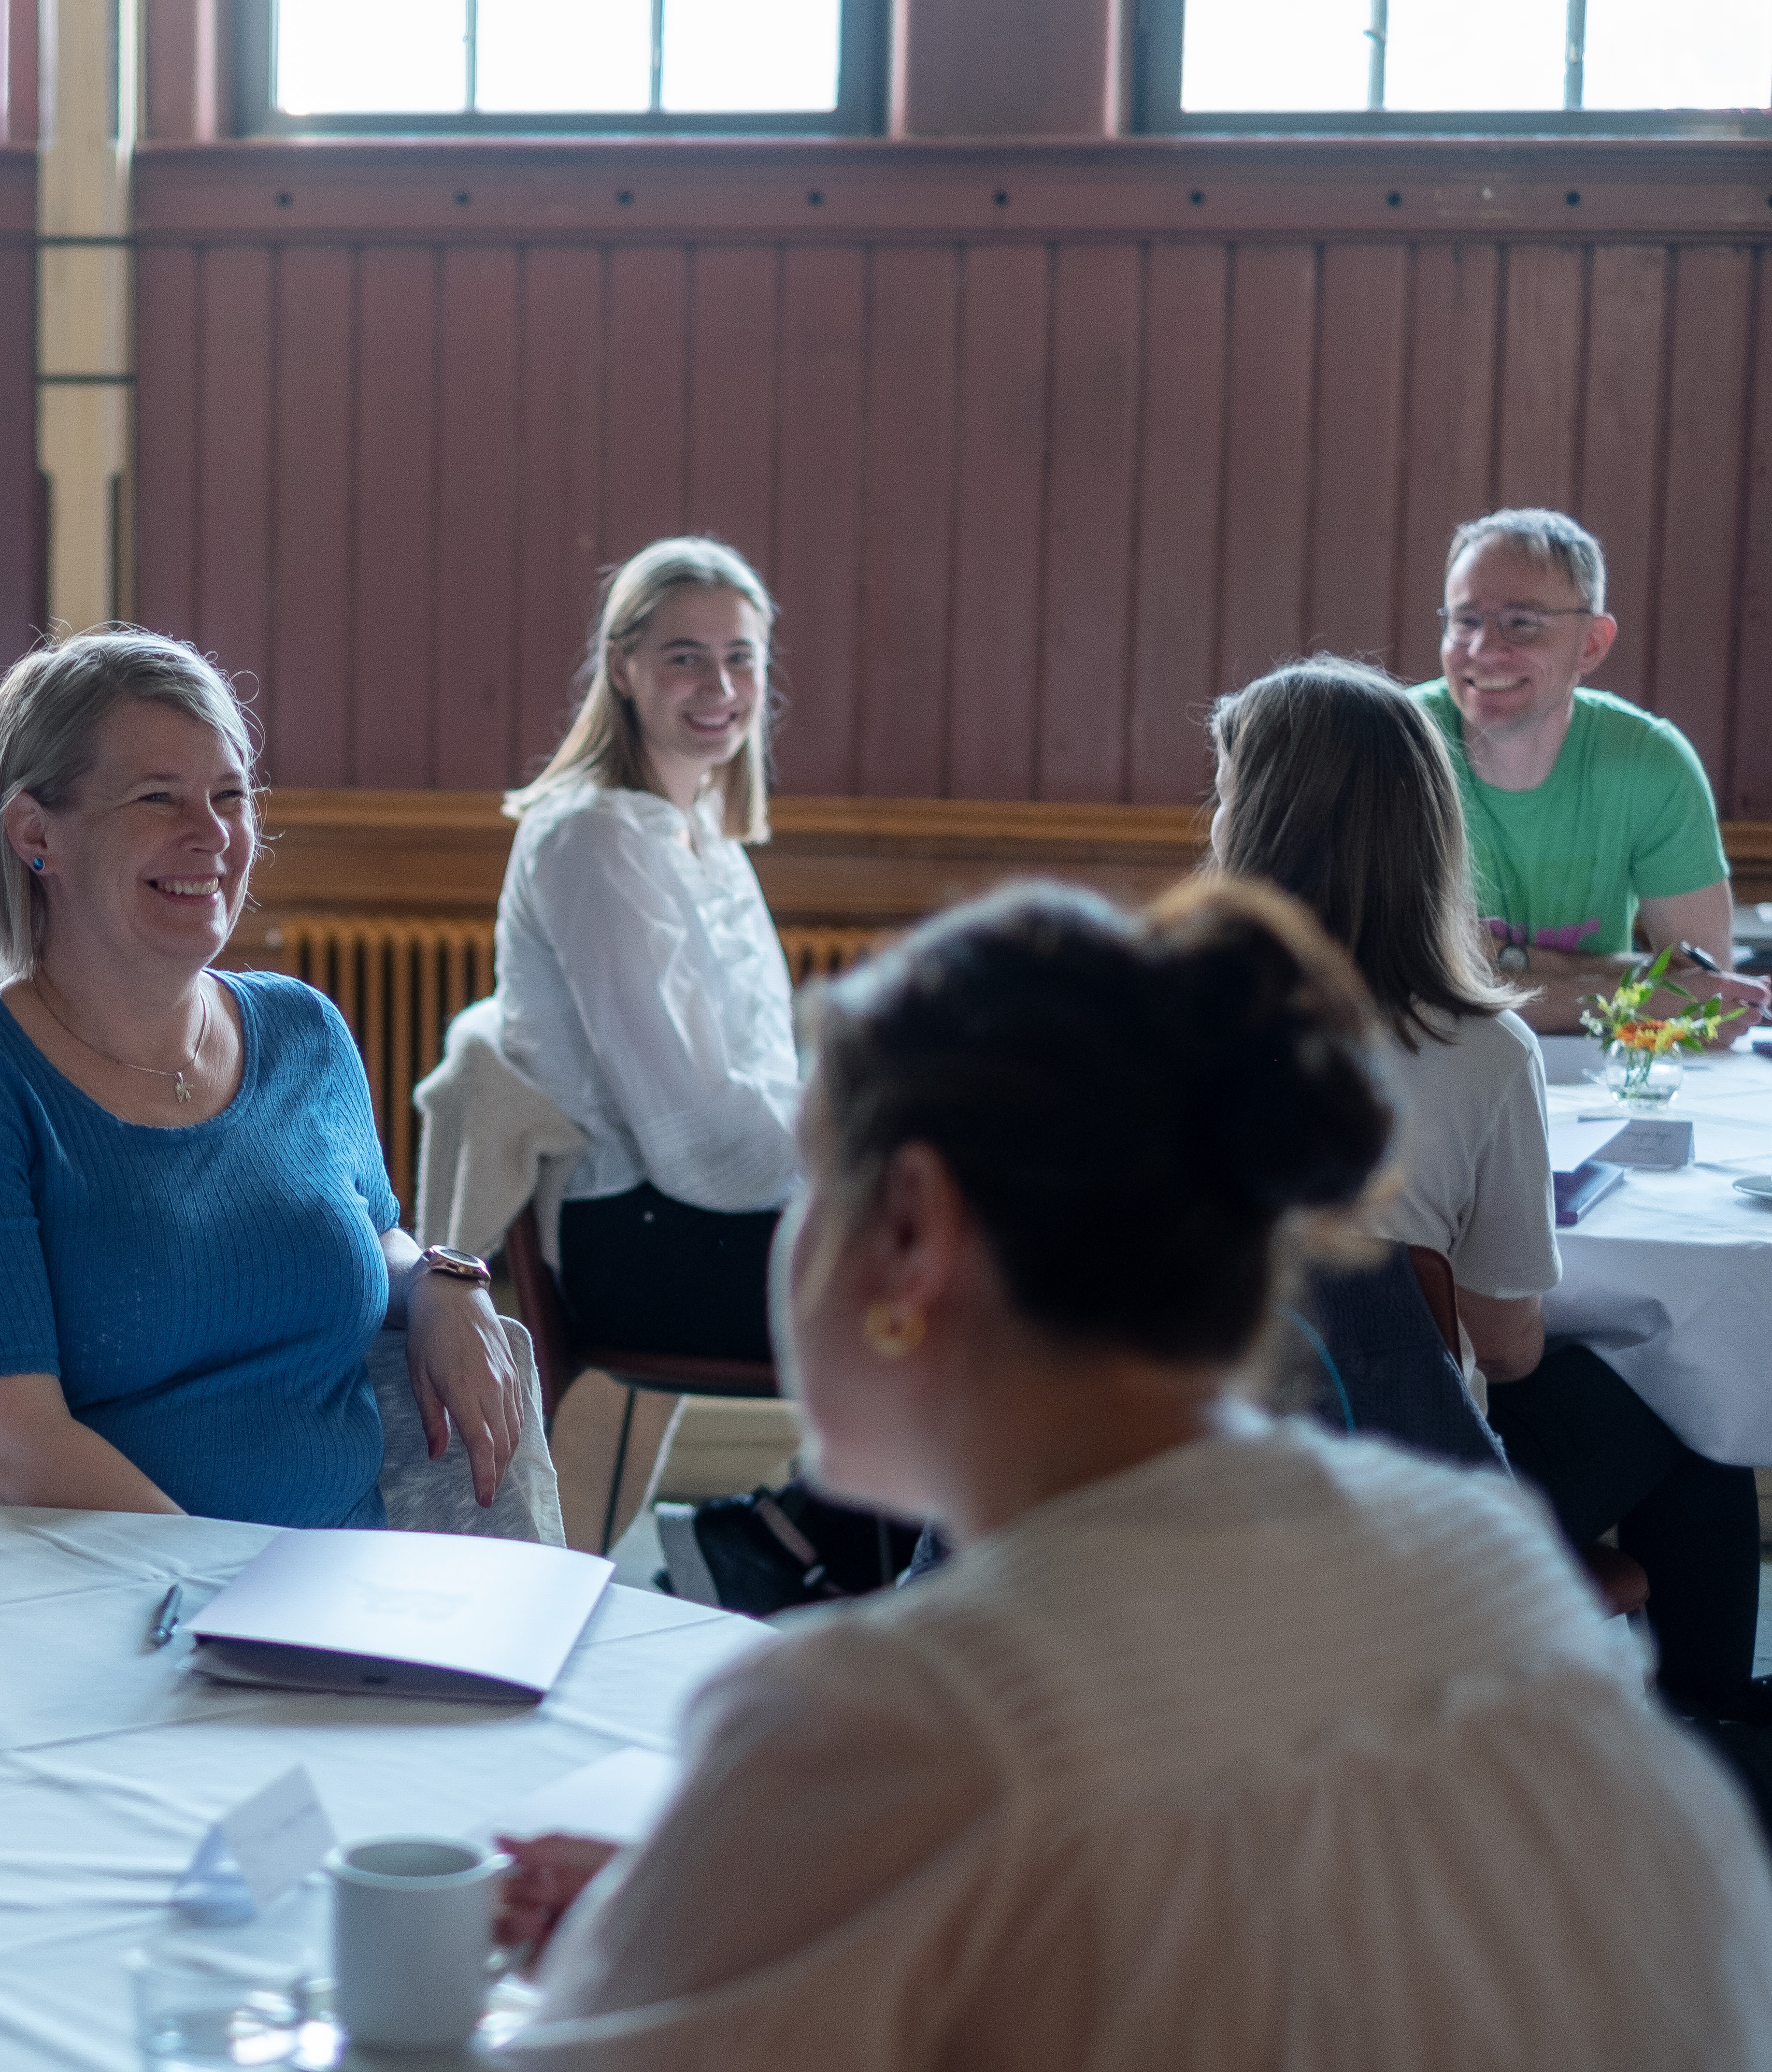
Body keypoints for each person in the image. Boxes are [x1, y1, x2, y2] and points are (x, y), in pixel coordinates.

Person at [492, 881, 1772, 2069]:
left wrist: (681, 1910)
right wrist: (735, 1889)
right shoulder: (1489, 1559)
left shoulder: (880, 1719)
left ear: (914, 1230)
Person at [0, 630, 526, 1527]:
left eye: (229, 795)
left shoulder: (303, 1030)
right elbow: (9, 1443)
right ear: (34, 834)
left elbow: (371, 1237)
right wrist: (219, 1589)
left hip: (330, 1591)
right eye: (158, 798)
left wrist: (441, 1282)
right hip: (68, 1602)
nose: (211, 834)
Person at [1214, 656, 1768, 1721]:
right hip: (1398, 1496)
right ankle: (1709, 1739)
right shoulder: (1480, 1053)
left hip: (1169, 1477)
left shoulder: (1134, 1019)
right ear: (1426, 830)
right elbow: (1506, 1347)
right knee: (1688, 1410)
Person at [494, 537, 834, 1573]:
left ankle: (801, 1536)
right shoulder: (598, 841)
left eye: (742, 657)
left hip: (705, 1222)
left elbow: (762, 1083)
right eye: (687, 656)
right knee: (981, 1284)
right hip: (646, 1238)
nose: (721, 686)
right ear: (624, 663)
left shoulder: (702, 835)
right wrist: (859, 1159)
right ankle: (813, 1546)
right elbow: (704, 1148)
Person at [1421, 507, 1766, 1035]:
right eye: (1466, 620)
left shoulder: (1651, 761)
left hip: (1604, 1080)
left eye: (1521, 623)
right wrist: (1629, 987)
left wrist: (1498, 961)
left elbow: (1707, 1007)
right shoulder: (1397, 742)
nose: (1484, 649)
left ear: (1592, 644)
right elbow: (1391, 988)